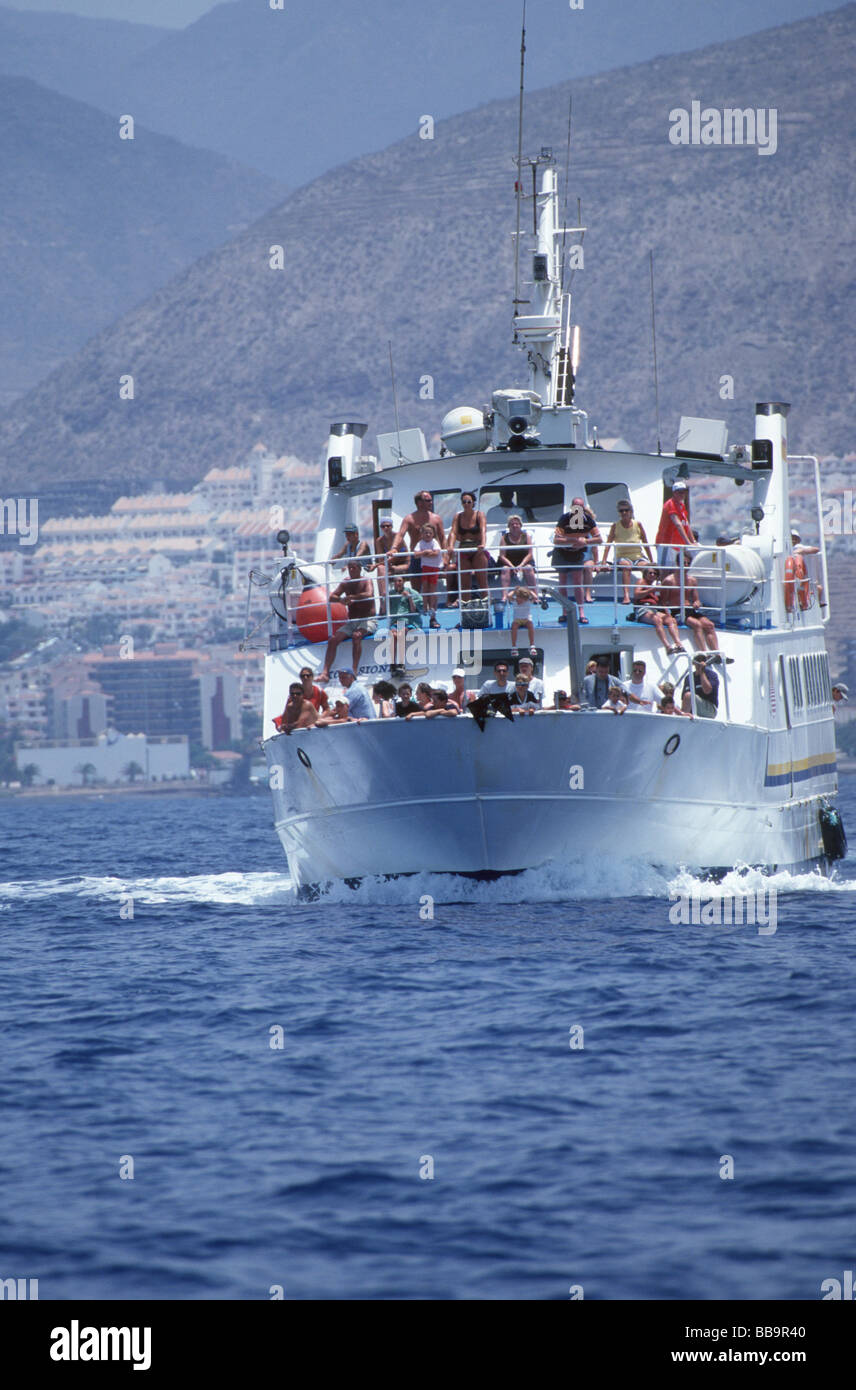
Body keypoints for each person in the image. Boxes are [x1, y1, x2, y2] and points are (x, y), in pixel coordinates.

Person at [318, 562, 378, 679]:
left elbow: (369, 594)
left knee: (356, 636)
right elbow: (332, 597)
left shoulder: (366, 580)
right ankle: (325, 672)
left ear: (360, 569)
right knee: (333, 640)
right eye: (349, 568)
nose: (351, 570)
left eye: (354, 568)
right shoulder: (346, 582)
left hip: (368, 620)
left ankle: (354, 669)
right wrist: (341, 600)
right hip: (352, 621)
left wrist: (352, 597)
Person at [552, 496, 601, 622]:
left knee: (578, 584)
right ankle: (565, 612)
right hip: (562, 554)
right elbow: (556, 540)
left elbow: (599, 539)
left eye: (580, 507)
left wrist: (585, 541)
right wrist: (573, 540)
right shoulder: (564, 519)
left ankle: (581, 613)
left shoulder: (588, 521)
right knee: (562, 584)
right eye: (575, 507)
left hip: (577, 555)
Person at [659, 552, 719, 652]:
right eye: (684, 563)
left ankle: (716, 653)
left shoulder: (692, 580)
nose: (686, 565)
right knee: (697, 625)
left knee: (710, 625)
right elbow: (663, 601)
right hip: (677, 611)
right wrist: (667, 614)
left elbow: (696, 599)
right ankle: (704, 653)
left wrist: (697, 603)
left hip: (689, 609)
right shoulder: (669, 580)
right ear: (678, 563)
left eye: (688, 563)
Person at [389, 491, 446, 593]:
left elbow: (442, 538)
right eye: (428, 500)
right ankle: (418, 607)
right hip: (417, 556)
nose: (431, 502)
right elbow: (400, 534)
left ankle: (431, 608)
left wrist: (446, 557)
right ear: (419, 503)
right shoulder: (409, 519)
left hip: (432, 556)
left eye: (431, 500)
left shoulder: (436, 519)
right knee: (416, 586)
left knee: (431, 586)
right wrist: (394, 548)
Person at [599, 500, 654, 603]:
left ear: (630, 511)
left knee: (647, 568)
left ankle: (647, 594)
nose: (624, 513)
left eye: (626, 510)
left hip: (637, 556)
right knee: (626, 566)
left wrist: (651, 561)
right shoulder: (615, 526)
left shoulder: (638, 524)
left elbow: (646, 544)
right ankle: (626, 596)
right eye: (621, 511)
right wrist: (603, 562)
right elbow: (608, 545)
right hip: (622, 556)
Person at [633, 567, 685, 655]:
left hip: (653, 609)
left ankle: (678, 644)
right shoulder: (641, 582)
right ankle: (668, 647)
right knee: (657, 620)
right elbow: (636, 595)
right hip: (642, 609)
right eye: (650, 573)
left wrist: (666, 612)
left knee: (671, 620)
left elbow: (661, 601)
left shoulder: (657, 586)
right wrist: (652, 589)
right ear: (645, 574)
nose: (652, 575)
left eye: (655, 573)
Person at [447, 490, 488, 600]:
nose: (466, 504)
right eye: (464, 502)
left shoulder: (480, 515)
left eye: (468, 502)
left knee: (482, 580)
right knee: (464, 582)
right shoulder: (458, 516)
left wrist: (483, 544)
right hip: (464, 549)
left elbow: (483, 530)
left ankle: (486, 604)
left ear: (473, 503)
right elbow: (453, 532)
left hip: (477, 550)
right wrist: (450, 546)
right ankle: (466, 607)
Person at [499, 514, 541, 603]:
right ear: (509, 526)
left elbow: (530, 554)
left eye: (517, 524)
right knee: (505, 569)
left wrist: (521, 565)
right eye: (512, 524)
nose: (514, 526)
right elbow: (502, 556)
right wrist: (512, 566)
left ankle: (535, 596)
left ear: (520, 525)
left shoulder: (526, 536)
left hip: (524, 562)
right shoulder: (504, 538)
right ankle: (504, 597)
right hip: (509, 562)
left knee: (528, 568)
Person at [387, 574, 423, 676]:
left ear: (403, 582)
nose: (397, 583)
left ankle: (401, 663)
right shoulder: (391, 594)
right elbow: (384, 611)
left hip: (409, 620)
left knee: (401, 634)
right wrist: (383, 598)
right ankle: (393, 664)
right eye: (395, 581)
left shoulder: (411, 592)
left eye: (399, 581)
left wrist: (409, 598)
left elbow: (413, 611)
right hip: (396, 622)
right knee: (393, 636)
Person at [655, 480, 694, 568]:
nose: (682, 494)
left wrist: (693, 541)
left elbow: (686, 524)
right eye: (679, 492)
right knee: (666, 569)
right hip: (666, 543)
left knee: (676, 568)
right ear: (674, 493)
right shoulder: (670, 504)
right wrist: (688, 542)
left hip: (677, 545)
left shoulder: (681, 506)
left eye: (684, 492)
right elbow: (678, 524)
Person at [414, 522, 444, 627]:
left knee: (433, 589)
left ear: (433, 534)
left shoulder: (434, 542)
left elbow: (436, 553)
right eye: (425, 533)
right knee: (425, 588)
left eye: (430, 533)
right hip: (425, 567)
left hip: (434, 568)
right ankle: (425, 607)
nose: (427, 535)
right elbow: (416, 555)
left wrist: (426, 553)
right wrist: (424, 552)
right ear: (422, 534)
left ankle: (432, 609)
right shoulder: (420, 543)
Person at [681, 653, 719, 718]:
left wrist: (702, 672)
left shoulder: (712, 675)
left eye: (703, 660)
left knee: (689, 696)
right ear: (693, 663)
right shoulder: (688, 677)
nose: (701, 662)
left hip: (710, 709)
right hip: (693, 708)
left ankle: (682, 721)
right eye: (698, 660)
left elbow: (707, 690)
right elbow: (683, 698)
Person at [510, 586, 538, 657]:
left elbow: (535, 597)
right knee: (514, 627)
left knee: (530, 625)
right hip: (517, 620)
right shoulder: (514, 601)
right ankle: (514, 647)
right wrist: (515, 590)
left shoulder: (528, 601)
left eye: (522, 599)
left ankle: (532, 645)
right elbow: (508, 596)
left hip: (526, 619)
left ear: (525, 599)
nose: (520, 601)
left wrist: (530, 591)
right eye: (519, 598)